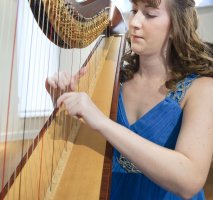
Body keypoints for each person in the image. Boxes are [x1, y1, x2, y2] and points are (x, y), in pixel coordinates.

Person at [45, 0, 213, 199]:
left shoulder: (202, 89)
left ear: (176, 27)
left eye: (149, 15)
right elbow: (81, 147)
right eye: (134, 11)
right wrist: (62, 100)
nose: (134, 22)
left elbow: (189, 181)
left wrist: (102, 122)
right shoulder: (113, 82)